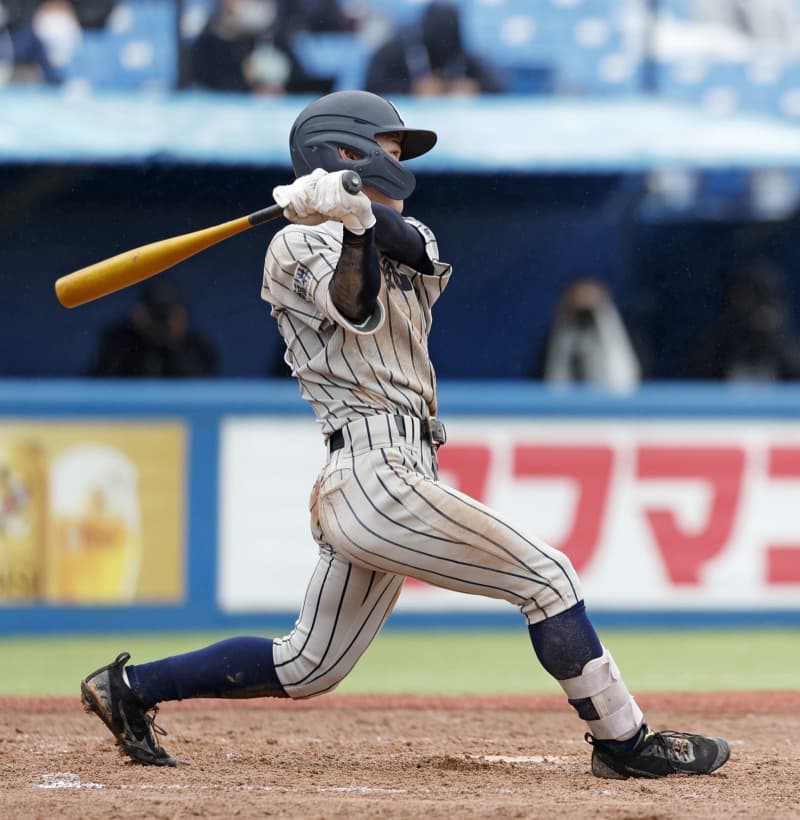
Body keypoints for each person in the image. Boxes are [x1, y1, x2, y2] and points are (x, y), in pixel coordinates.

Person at [80, 90, 730, 780]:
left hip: (403, 467)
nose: (397, 160)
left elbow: (410, 248)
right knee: (549, 577)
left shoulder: (409, 232)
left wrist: (356, 214)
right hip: (369, 472)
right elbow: (354, 304)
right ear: (342, 149)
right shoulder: (289, 247)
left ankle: (130, 689)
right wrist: (343, 224)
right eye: (386, 147)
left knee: (309, 664)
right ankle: (624, 742)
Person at [187, 0, 335, 95]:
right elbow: (209, 87)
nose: (258, 6)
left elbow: (300, 81)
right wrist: (253, 90)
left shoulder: (274, 41)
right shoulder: (207, 45)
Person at [687, 258, 800, 381]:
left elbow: (794, 373)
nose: (750, 311)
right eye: (740, 298)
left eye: (755, 299)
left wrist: (774, 337)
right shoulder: (722, 338)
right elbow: (697, 371)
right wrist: (729, 330)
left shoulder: (781, 342)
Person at [365, 1, 505, 97]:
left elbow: (499, 86)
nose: (443, 38)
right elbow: (371, 87)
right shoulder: (396, 51)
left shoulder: (460, 52)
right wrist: (411, 89)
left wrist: (475, 87)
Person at [532, 276, 643, 393]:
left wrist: (604, 319)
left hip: (614, 404)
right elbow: (548, 383)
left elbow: (628, 379)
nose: (584, 316)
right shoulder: (552, 341)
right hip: (564, 407)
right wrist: (563, 324)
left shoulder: (626, 335)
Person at [87, 279, 219, 378]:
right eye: (156, 313)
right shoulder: (121, 341)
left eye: (166, 314)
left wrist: (175, 342)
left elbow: (201, 388)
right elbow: (101, 383)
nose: (160, 320)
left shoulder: (197, 348)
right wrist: (136, 331)